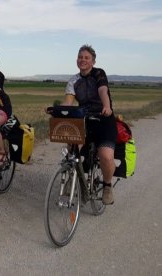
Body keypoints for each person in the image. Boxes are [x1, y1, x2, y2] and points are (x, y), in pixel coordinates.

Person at [59, 44, 117, 205]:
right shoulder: (74, 80)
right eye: (80, 57)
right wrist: (60, 112)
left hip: (104, 119)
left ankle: (107, 185)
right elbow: (68, 102)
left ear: (93, 61)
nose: (82, 60)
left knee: (105, 156)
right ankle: (74, 176)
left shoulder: (99, 73)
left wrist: (107, 106)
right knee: (72, 146)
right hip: (85, 119)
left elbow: (102, 91)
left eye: (86, 58)